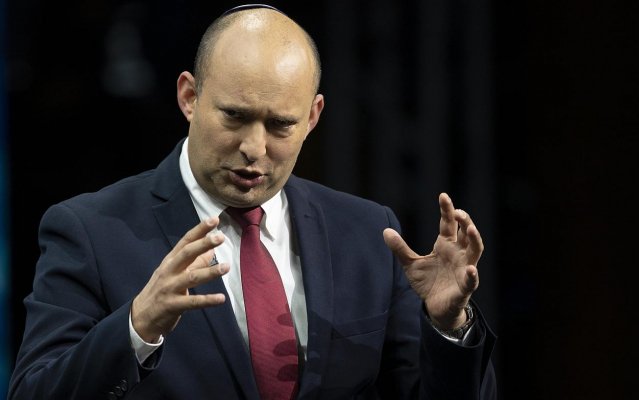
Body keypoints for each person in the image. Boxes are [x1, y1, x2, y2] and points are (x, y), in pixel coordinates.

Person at [8, 4, 497, 399]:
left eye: (280, 124)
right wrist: (137, 327)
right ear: (189, 97)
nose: (254, 148)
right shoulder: (91, 231)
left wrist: (448, 326)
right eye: (235, 116)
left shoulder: (368, 234)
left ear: (312, 117)